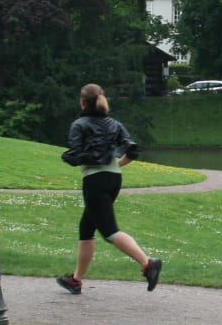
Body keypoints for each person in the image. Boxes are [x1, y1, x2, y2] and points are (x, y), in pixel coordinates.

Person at [56, 83, 163, 294]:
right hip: (114, 178)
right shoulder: (114, 123)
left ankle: (148, 263)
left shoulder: (79, 124)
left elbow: (77, 154)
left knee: (109, 231)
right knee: (86, 229)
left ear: (83, 101)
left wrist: (70, 158)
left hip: (95, 180)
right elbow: (132, 150)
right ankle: (75, 280)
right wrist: (115, 164)